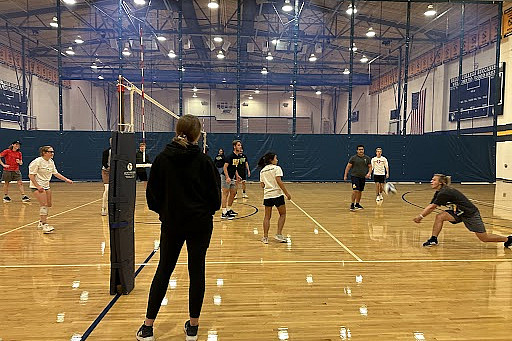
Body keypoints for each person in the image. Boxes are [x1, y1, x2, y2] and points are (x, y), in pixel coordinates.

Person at [136, 114, 221, 341]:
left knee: (164, 270)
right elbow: (215, 200)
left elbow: (151, 197)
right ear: (197, 134)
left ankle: (147, 327)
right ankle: (192, 327)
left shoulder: (163, 159)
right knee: (197, 271)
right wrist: (201, 211)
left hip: (172, 223)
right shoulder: (205, 162)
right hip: (200, 225)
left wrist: (167, 212)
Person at [413, 173, 512, 248]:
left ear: (440, 182)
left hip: (470, 214)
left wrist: (420, 217)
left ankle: (508, 239)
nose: (431, 181)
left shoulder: (445, 192)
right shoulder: (439, 192)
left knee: (484, 238)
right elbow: (431, 205)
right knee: (440, 216)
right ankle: (433, 239)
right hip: (458, 212)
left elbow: (432, 207)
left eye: (434, 180)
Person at [28, 146, 73, 234]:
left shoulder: (51, 162)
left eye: (53, 151)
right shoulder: (37, 162)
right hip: (37, 187)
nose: (52, 153)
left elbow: (55, 173)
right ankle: (45, 225)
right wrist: (37, 186)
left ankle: (41, 222)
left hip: (46, 186)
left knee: (49, 204)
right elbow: (31, 176)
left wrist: (66, 180)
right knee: (43, 204)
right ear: (44, 153)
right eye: (50, 151)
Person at [258, 152, 291, 244]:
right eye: (276, 158)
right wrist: (286, 193)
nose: (277, 160)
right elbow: (279, 181)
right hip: (277, 195)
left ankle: (265, 237)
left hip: (267, 196)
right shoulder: (277, 168)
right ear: (271, 160)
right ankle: (279, 234)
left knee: (267, 217)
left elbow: (262, 185)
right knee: (283, 214)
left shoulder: (262, 171)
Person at [343, 145, 371, 211]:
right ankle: (352, 204)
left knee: (360, 191)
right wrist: (345, 175)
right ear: (357, 150)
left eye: (362, 149)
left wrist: (369, 173)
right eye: (359, 149)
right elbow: (348, 167)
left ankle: (357, 204)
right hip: (355, 176)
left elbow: (370, 166)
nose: (361, 151)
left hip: (362, 177)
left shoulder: (367, 158)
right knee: (355, 190)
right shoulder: (353, 158)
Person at [221, 140, 242, 219]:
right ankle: (223, 212)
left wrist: (237, 175)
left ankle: (229, 209)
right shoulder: (230, 156)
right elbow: (225, 167)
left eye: (240, 145)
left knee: (233, 193)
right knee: (225, 194)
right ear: (234, 146)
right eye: (238, 145)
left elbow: (234, 167)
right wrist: (227, 177)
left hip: (232, 177)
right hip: (225, 177)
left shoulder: (237, 157)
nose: (240, 147)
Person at [101, 139, 111, 216]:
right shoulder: (106, 152)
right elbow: (104, 163)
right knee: (107, 190)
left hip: (116, 172)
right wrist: (108, 168)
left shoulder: (119, 152)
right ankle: (103, 208)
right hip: (106, 172)